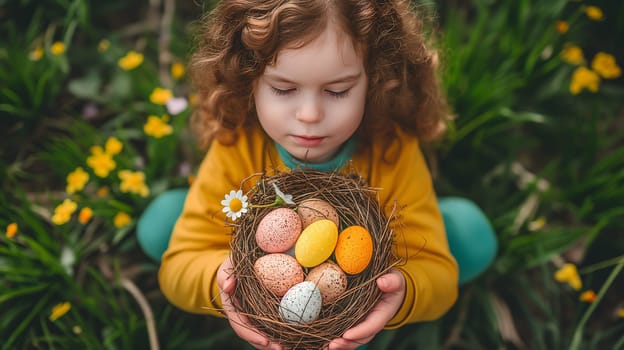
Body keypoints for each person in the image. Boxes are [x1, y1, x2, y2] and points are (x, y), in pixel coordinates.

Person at [152, 1, 497, 349]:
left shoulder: (391, 150)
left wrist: (402, 292)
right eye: (284, 89)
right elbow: (177, 270)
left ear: (375, 79)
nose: (310, 114)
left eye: (337, 91)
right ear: (248, 80)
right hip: (266, 295)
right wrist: (222, 282)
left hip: (354, 306)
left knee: (470, 235)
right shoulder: (237, 145)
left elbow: (437, 275)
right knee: (161, 225)